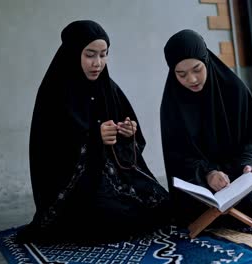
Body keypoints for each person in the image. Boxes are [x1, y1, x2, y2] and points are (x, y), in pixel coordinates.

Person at [17, 20, 169, 244]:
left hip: (111, 175)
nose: (98, 63)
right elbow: (48, 150)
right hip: (74, 185)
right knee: (108, 221)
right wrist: (94, 137)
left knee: (161, 204)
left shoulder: (108, 86)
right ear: (74, 52)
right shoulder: (55, 91)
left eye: (103, 54)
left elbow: (129, 141)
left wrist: (127, 133)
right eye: (90, 55)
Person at [160, 29, 252, 227]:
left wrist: (249, 166)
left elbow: (250, 141)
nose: (192, 79)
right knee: (187, 209)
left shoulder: (234, 90)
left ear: (206, 60)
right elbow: (178, 157)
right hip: (199, 183)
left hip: (236, 177)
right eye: (181, 74)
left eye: (197, 69)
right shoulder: (172, 105)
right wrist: (208, 173)